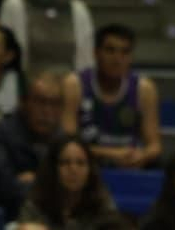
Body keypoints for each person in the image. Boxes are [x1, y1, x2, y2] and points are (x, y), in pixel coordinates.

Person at [59, 24, 160, 169]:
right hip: (86, 168)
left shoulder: (144, 89)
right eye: (110, 50)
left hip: (129, 166)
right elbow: (67, 144)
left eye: (125, 52)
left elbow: (155, 146)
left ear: (131, 57)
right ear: (95, 53)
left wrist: (142, 155)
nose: (117, 59)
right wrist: (112, 154)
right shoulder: (74, 85)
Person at [14, 133, 118, 230]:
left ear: (90, 169)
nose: (73, 169)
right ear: (53, 169)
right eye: (65, 163)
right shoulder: (37, 203)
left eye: (80, 163)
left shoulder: (101, 203)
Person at [0, 71, 66, 208]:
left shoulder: (63, 139)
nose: (47, 111)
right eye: (40, 102)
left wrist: (37, 180)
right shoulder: (1, 135)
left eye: (54, 104)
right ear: (23, 102)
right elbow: (3, 188)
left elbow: (80, 189)